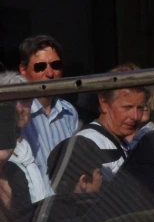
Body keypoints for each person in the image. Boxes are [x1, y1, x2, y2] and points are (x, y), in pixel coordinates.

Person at [17, 36, 79, 188]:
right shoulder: (17, 115)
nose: (50, 73)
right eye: (40, 67)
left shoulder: (69, 111)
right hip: (33, 207)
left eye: (55, 65)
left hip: (66, 203)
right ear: (23, 70)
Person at [76, 64, 149, 182]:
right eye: (127, 108)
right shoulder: (90, 144)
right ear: (104, 103)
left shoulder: (119, 141)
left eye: (140, 108)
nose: (135, 116)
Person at [0, 73, 49, 203]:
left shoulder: (26, 144)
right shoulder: (3, 150)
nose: (20, 108)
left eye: (25, 100)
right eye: (12, 101)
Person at [47, 136, 122, 195]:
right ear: (84, 181)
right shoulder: (99, 211)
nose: (102, 175)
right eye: (99, 172)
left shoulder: (46, 211)